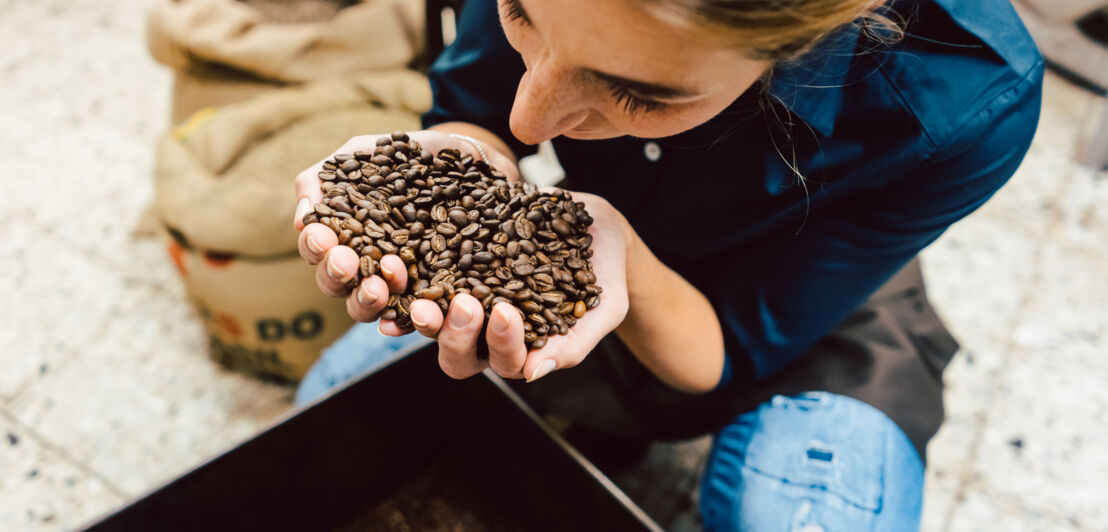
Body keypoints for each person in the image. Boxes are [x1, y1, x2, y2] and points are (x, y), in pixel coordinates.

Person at [292, 0, 1043, 529]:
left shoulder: (970, 100)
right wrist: (473, 160)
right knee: (328, 416)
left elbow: (726, 350)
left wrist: (631, 263)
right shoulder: (544, 88)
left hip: (810, 304)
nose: (532, 118)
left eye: (636, 91)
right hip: (587, 238)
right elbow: (490, 119)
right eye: (522, 10)